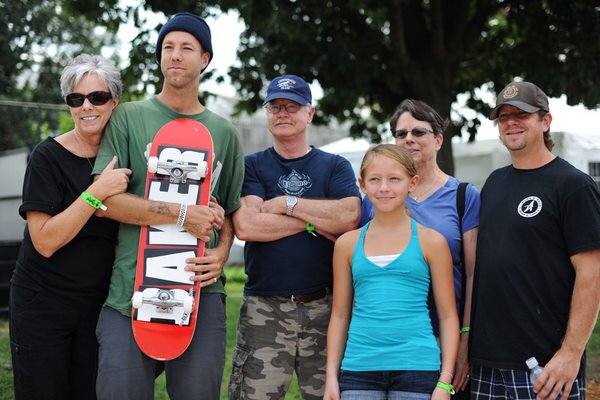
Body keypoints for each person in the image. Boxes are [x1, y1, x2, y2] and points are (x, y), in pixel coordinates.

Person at [91, 12, 245, 400]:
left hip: (200, 294)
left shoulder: (224, 133)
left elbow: (227, 212)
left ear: (205, 59)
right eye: (168, 48)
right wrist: (179, 214)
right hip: (131, 292)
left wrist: (224, 250)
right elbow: (102, 201)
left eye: (186, 48)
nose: (175, 56)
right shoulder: (128, 117)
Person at [229, 74, 361, 399]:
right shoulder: (252, 166)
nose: (283, 113)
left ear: (310, 113)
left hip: (325, 308)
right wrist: (315, 221)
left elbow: (349, 217)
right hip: (265, 308)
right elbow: (248, 227)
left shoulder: (334, 166)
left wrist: (287, 204)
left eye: (292, 106)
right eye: (275, 107)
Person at [9, 54, 131, 399]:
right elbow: (45, 241)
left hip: (97, 306)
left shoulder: (124, 159)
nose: (86, 106)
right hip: (42, 304)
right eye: (76, 99)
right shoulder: (47, 157)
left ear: (115, 101)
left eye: (97, 97)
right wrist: (95, 192)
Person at [469, 81, 600, 400]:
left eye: (521, 114)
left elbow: (592, 275)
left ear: (546, 121)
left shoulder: (573, 186)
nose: (511, 122)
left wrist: (570, 354)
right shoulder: (495, 183)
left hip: (545, 366)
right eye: (503, 116)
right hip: (486, 362)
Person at [360, 99, 480, 393]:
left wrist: (465, 338)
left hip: (444, 331)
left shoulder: (464, 196)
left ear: (439, 140)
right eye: (401, 134)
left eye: (419, 132)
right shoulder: (375, 199)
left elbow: (474, 274)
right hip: (387, 335)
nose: (409, 139)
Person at [324, 144, 460, 400]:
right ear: (362, 185)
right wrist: (332, 376)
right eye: (375, 180)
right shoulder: (347, 244)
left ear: (412, 182)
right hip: (358, 367)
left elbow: (448, 316)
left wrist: (445, 381)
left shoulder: (432, 241)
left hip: (417, 366)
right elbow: (340, 315)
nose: (384, 188)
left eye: (394, 179)